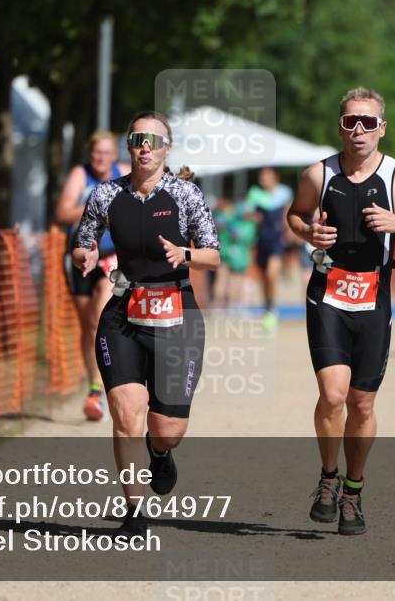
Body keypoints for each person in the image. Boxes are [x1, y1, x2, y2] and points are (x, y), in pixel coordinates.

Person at [286, 87, 395, 536]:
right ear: (339, 125)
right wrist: (307, 232)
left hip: (374, 296)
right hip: (328, 291)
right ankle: (327, 479)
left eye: (368, 122)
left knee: (362, 401)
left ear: (382, 128)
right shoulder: (319, 175)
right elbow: (294, 216)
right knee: (333, 394)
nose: (359, 130)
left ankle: (354, 490)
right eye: (351, 121)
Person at [72, 110, 220, 536]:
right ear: (129, 145)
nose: (144, 146)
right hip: (123, 313)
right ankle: (134, 512)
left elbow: (213, 253)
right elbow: (83, 242)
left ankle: (160, 453)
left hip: (176, 314)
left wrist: (186, 255)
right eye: (137, 139)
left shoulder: (186, 195)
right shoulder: (105, 194)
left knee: (166, 429)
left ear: (166, 148)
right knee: (126, 415)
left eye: (153, 140)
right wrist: (82, 256)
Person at [55, 130, 131, 421]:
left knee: (102, 315)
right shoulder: (80, 174)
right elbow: (62, 212)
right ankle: (93, 388)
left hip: (114, 258)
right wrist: (94, 207)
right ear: (90, 154)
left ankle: (112, 384)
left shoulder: (123, 173)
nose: (101, 159)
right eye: (96, 153)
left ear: (115, 155)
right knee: (87, 326)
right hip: (81, 257)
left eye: (106, 153)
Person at [246, 167, 293, 333]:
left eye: (266, 177)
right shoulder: (255, 194)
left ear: (274, 178)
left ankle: (272, 308)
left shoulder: (284, 193)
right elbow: (248, 213)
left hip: (276, 239)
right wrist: (253, 217)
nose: (263, 180)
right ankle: (268, 306)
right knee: (264, 277)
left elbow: (288, 213)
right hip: (261, 239)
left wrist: (288, 230)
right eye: (261, 178)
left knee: (272, 274)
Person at [213, 198, 256, 309]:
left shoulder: (233, 220)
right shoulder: (246, 224)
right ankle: (224, 305)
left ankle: (222, 306)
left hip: (230, 254)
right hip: (233, 255)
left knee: (227, 280)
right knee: (228, 281)